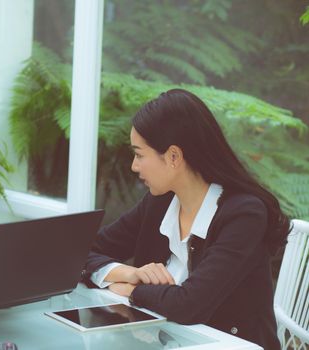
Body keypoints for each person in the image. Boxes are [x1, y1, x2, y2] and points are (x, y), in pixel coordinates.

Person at [84, 89, 289, 350]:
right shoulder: (160, 202)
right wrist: (130, 274)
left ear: (173, 157)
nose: (134, 166)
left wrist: (131, 291)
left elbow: (189, 305)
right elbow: (82, 252)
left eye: (139, 154)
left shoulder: (244, 214)